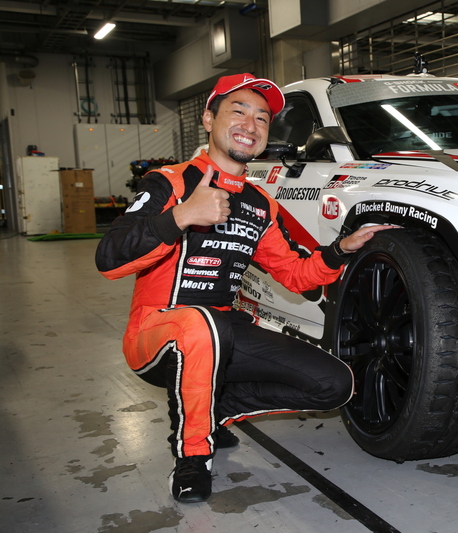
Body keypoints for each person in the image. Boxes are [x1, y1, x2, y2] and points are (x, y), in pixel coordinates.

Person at [96, 73, 392, 503]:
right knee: (201, 326)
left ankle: (214, 409)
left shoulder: (259, 203)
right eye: (238, 111)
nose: (250, 125)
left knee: (335, 383)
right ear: (208, 119)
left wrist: (339, 250)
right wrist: (181, 216)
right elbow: (109, 260)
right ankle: (193, 456)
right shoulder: (170, 183)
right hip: (155, 334)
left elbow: (294, 274)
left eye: (262, 119)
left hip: (223, 331)